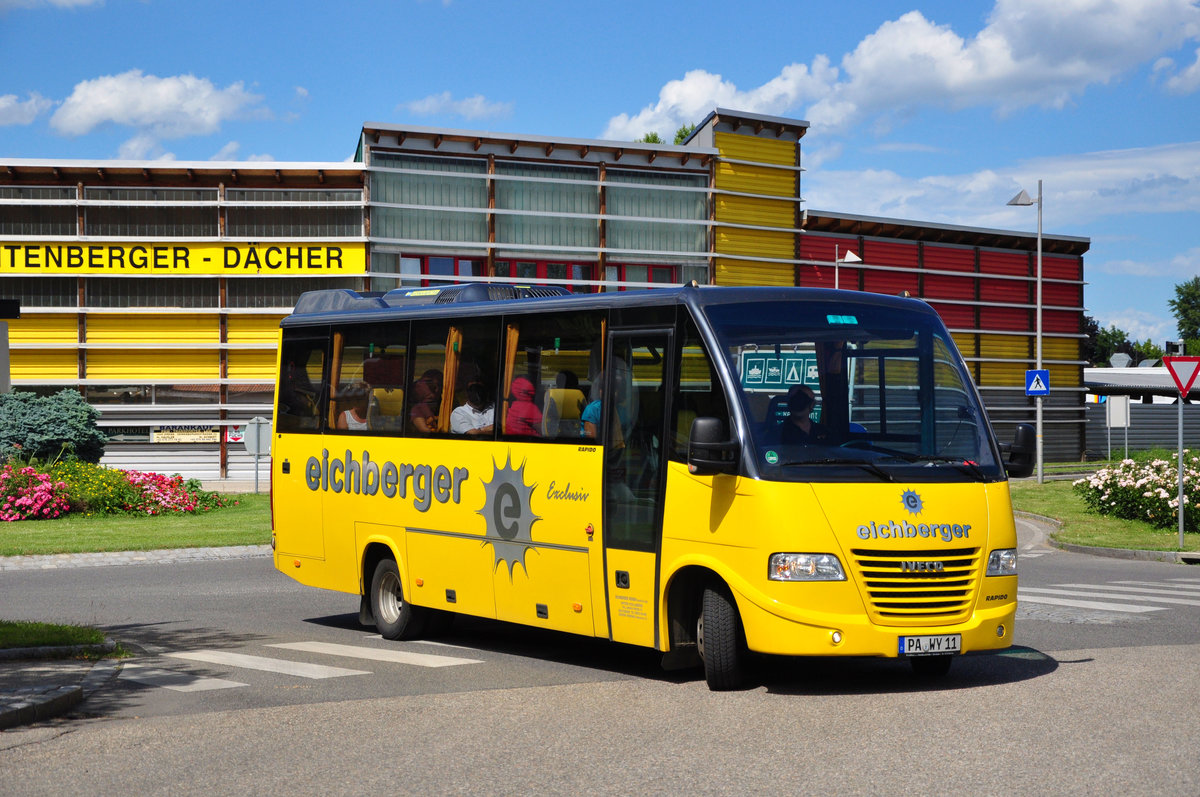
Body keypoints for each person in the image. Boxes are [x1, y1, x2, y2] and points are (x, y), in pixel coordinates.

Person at [409, 369, 443, 433]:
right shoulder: (417, 410)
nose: (436, 391)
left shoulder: (445, 407)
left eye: (440, 386)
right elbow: (425, 430)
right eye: (431, 386)